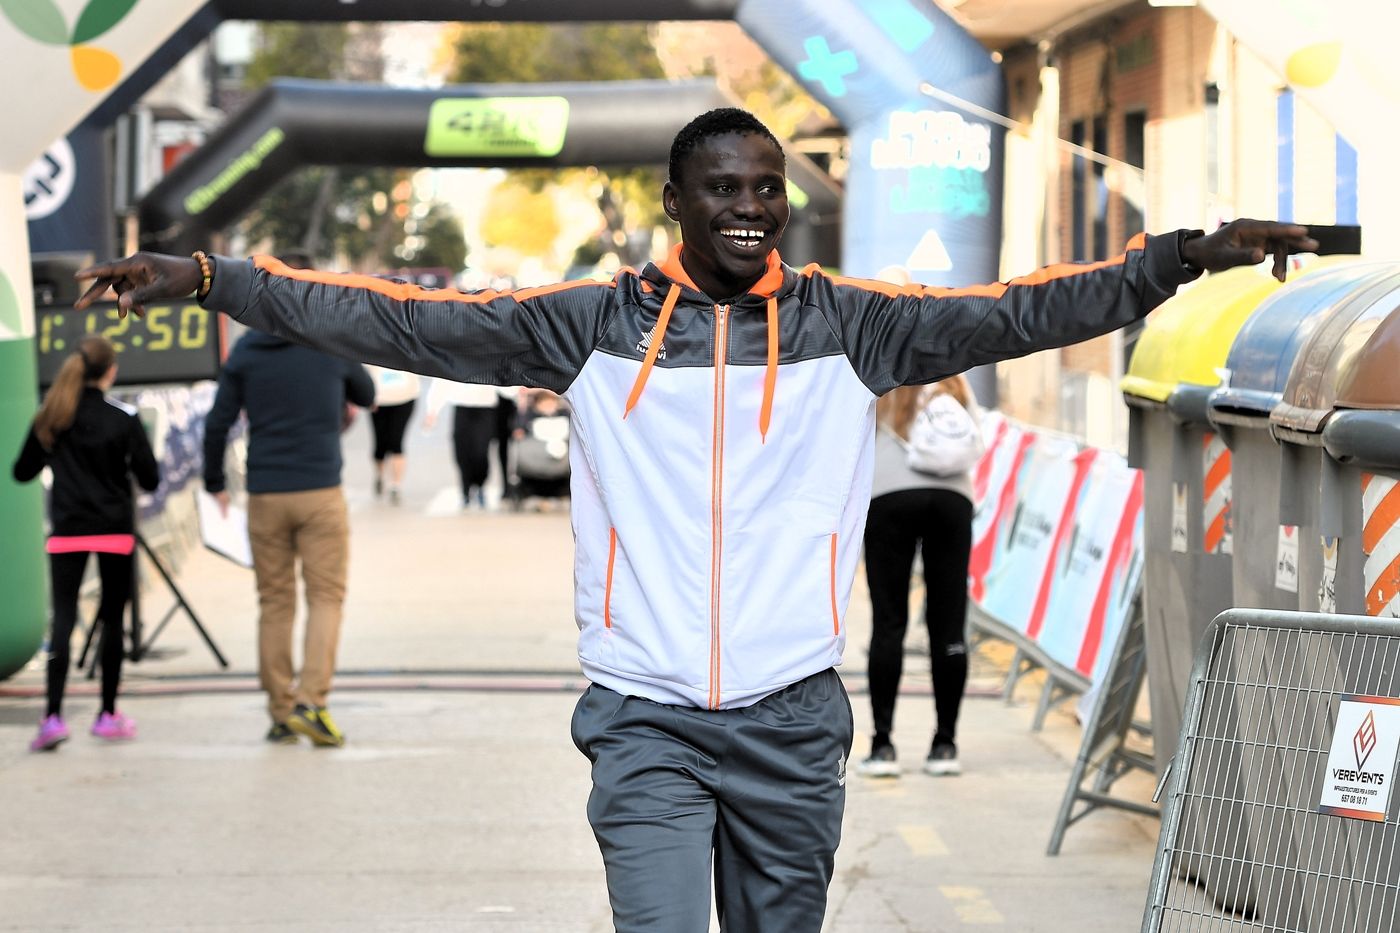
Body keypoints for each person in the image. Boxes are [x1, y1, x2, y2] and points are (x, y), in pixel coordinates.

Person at [76, 107, 1315, 931]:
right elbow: (396, 318)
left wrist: (1182, 255)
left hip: (788, 712)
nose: (749, 208)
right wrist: (207, 277)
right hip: (644, 716)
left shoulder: (853, 322)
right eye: (722, 188)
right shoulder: (588, 322)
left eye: (766, 190)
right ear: (672, 196)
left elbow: (1021, 310)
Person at [201, 257, 376, 747]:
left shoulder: (245, 351)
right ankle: (311, 703)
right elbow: (365, 393)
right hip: (320, 490)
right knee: (325, 597)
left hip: (265, 494)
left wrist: (215, 480)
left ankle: (280, 711)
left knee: (274, 602)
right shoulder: (326, 340)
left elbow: (218, 423)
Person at [12, 334, 159, 750]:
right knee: (113, 621)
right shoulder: (125, 418)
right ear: (110, 371)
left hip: (68, 530)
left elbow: (23, 471)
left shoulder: (53, 416)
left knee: (63, 618)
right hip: (114, 530)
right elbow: (151, 478)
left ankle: (53, 717)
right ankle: (108, 713)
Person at [858, 374, 981, 780]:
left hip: (889, 496)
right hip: (953, 500)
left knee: (888, 622)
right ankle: (945, 744)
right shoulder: (956, 382)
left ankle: (883, 744)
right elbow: (974, 441)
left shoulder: (877, 375)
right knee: (948, 624)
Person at [422, 379, 518, 510]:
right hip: (462, 407)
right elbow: (442, 382)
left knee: (481, 451)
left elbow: (504, 381)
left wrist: (518, 391)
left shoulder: (489, 359)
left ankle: (480, 485)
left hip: (485, 409)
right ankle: (465, 489)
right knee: (462, 451)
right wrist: (433, 410)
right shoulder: (458, 359)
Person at [366, 364, 420, 504]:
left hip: (405, 398)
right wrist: (368, 395)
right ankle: (380, 475)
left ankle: (396, 485)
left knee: (396, 442)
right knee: (380, 444)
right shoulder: (374, 344)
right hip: (379, 401)